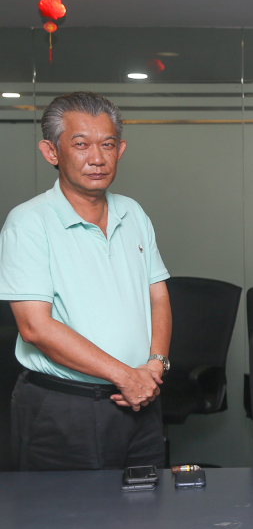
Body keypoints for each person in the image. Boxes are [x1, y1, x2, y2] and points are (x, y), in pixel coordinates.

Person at [0, 92, 171, 471]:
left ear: (120, 150)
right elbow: (34, 327)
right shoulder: (28, 223)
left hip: (141, 399)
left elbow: (157, 296)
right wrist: (125, 376)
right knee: (70, 511)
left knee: (149, 506)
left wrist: (155, 366)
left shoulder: (133, 213)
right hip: (65, 407)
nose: (97, 158)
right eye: (80, 145)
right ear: (51, 151)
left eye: (107, 144)